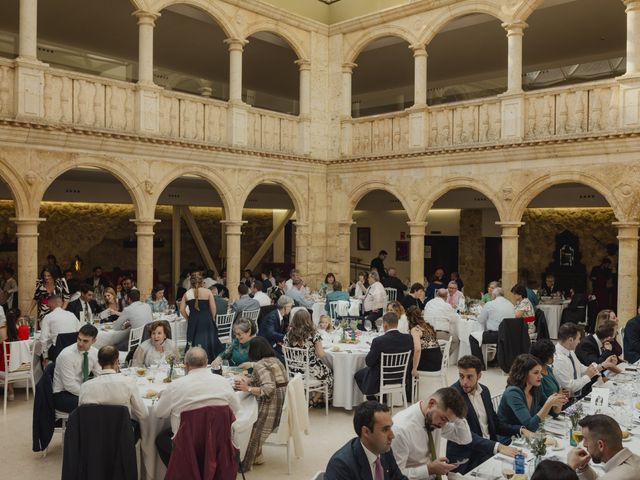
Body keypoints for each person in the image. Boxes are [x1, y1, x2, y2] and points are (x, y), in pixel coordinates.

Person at [154, 346, 240, 467]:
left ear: (186, 364)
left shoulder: (176, 386)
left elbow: (159, 413)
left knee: (161, 440)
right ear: (206, 363)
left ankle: (184, 472)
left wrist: (164, 396)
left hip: (187, 445)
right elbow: (236, 409)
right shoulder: (223, 382)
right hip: (218, 443)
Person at [447, 355, 528, 474]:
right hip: (467, 458)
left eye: (469, 377)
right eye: (461, 376)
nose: (464, 382)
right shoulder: (453, 395)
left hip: (488, 452)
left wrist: (521, 430)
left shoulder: (484, 391)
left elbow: (495, 423)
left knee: (522, 467)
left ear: (479, 376)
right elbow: (466, 435)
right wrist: (498, 447)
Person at [391, 387, 471, 478]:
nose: (443, 425)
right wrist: (429, 469)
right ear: (431, 403)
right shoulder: (401, 430)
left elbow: (465, 439)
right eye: (443, 419)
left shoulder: (435, 419)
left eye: (448, 421)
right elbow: (395, 475)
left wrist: (457, 417)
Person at [234, 337, 288, 470]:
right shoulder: (275, 360)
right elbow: (267, 380)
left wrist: (248, 389)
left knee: (245, 418)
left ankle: (245, 460)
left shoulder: (260, 365)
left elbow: (268, 389)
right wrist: (248, 383)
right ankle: (258, 455)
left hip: (272, 405)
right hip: (282, 402)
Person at [326, 400, 408, 480]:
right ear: (366, 432)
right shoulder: (341, 467)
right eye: (385, 430)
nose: (392, 436)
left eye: (390, 428)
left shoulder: (385, 451)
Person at [496, 353, 567, 442]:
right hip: (511, 439)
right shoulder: (513, 393)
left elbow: (554, 413)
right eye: (536, 373)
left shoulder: (536, 388)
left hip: (529, 436)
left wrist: (558, 403)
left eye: (540, 372)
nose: (540, 376)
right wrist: (548, 404)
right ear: (524, 374)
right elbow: (530, 426)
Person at [79, 345, 148, 425]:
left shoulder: (85, 386)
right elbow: (143, 414)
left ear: (99, 362)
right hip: (121, 433)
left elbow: (82, 415)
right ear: (117, 362)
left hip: (93, 433)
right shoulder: (129, 382)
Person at [354, 312, 413, 401]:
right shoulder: (408, 338)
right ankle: (382, 399)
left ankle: (372, 400)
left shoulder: (379, 341)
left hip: (381, 379)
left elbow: (369, 362)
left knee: (358, 375)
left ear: (385, 325)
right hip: (400, 376)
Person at [283, 309, 333, 407]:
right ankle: (314, 400)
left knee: (323, 371)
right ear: (308, 320)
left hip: (293, 370)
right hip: (309, 370)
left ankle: (310, 398)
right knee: (329, 374)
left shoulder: (288, 335)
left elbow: (285, 351)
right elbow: (321, 354)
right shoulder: (313, 334)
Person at [554, 323, 615, 401]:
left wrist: (603, 365)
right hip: (566, 400)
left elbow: (581, 368)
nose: (579, 342)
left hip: (578, 394)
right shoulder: (559, 359)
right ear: (570, 340)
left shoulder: (569, 351)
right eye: (578, 339)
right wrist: (587, 377)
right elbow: (569, 387)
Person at [567, 414, 640, 479]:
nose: (584, 444)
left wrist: (569, 468)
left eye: (586, 439)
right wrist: (583, 468)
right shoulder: (636, 460)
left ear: (601, 445)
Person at [52, 324, 102, 413]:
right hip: (62, 394)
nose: (80, 343)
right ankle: (85, 426)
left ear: (94, 341)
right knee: (95, 406)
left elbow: (99, 375)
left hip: (81, 389)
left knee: (107, 401)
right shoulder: (66, 355)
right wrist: (90, 394)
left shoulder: (95, 352)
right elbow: (69, 385)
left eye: (85, 341)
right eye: (79, 339)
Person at [180, 271, 222, 363]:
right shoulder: (208, 292)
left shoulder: (187, 294)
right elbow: (213, 308)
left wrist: (188, 318)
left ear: (191, 282)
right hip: (206, 319)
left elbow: (182, 309)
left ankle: (193, 361)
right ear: (202, 281)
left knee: (193, 340)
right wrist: (212, 318)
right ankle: (209, 360)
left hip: (193, 320)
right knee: (207, 340)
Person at [470, 287, 515, 368]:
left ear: (494, 295)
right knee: (498, 337)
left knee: (473, 338)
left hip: (496, 335)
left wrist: (478, 315)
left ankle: (479, 365)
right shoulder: (511, 304)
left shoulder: (490, 304)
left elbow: (481, 320)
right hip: (509, 335)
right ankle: (496, 361)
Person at [39, 294, 80, 360]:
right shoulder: (72, 315)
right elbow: (80, 331)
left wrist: (45, 356)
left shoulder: (48, 317)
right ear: (61, 303)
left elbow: (43, 340)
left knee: (40, 355)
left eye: (48, 304)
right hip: (74, 350)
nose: (47, 306)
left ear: (51, 303)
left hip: (58, 352)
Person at [423, 288, 459, 359]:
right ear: (446, 297)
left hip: (427, 332)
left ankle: (435, 357)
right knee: (456, 340)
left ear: (436, 295)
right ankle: (443, 358)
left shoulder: (428, 303)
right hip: (440, 333)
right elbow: (454, 320)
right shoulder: (447, 306)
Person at [406, 305, 442, 377]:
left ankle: (411, 387)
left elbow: (418, 349)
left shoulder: (415, 329)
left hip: (430, 364)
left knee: (407, 365)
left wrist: (414, 369)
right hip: (438, 361)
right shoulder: (427, 326)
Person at [258, 295, 293, 361]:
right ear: (285, 307)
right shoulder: (272, 317)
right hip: (266, 345)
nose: (290, 309)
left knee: (290, 355)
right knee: (285, 360)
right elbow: (271, 334)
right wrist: (286, 337)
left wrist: (287, 330)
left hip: (274, 343)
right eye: (290, 307)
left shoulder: (281, 315)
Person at [0, 309, 21, 400]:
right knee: (11, 361)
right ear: (18, 318)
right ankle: (11, 391)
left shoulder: (2, 330)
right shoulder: (22, 329)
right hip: (19, 364)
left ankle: (10, 391)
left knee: (6, 361)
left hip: (4, 365)